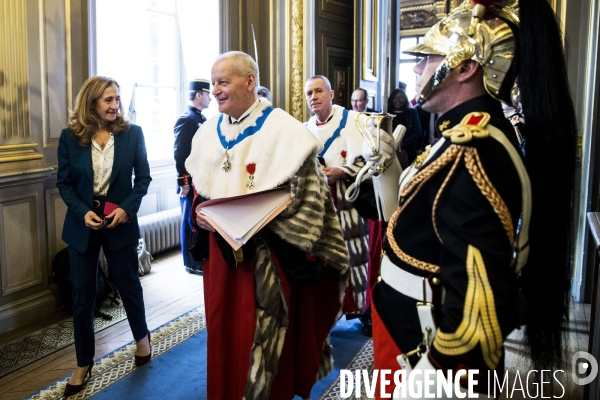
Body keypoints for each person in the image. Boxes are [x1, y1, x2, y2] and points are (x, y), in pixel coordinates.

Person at [371, 0, 577, 397]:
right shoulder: (463, 134)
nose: (415, 69)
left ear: (465, 67)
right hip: (404, 322)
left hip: (424, 344)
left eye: (427, 58)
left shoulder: (474, 148)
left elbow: (476, 308)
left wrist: (431, 380)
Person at [185, 51, 349, 399]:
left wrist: (265, 222)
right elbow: (202, 189)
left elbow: (311, 198)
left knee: (260, 338)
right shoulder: (207, 132)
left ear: (249, 81)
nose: (214, 90)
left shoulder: (284, 129)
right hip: (221, 260)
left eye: (223, 82)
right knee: (222, 332)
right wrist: (199, 215)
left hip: (268, 261)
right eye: (213, 83)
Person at [56, 76, 153, 397]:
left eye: (117, 99)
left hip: (120, 220)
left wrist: (127, 208)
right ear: (91, 103)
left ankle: (142, 339)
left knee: (128, 285)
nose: (115, 105)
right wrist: (83, 211)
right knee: (82, 296)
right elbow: (65, 183)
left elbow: (143, 179)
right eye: (108, 100)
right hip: (83, 222)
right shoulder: (70, 138)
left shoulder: (132, 134)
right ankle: (84, 362)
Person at [304, 75, 379, 336]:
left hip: (351, 204)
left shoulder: (354, 121)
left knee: (358, 260)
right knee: (327, 264)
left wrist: (345, 171)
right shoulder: (305, 129)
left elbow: (373, 161)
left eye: (318, 91)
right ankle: (329, 313)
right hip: (321, 207)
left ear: (332, 94)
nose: (313, 97)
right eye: (309, 93)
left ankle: (365, 311)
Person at [173, 79, 211, 275]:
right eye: (208, 94)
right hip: (190, 182)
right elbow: (181, 153)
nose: (210, 98)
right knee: (189, 221)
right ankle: (190, 262)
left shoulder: (200, 118)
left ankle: (197, 257)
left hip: (200, 179)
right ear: (199, 95)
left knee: (196, 219)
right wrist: (184, 182)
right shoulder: (186, 119)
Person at [386, 88, 423, 167]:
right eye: (395, 97)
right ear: (391, 99)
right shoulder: (386, 114)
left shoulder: (412, 112)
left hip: (408, 150)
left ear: (405, 99)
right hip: (389, 150)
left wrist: (403, 143)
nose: (398, 100)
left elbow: (418, 132)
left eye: (401, 97)